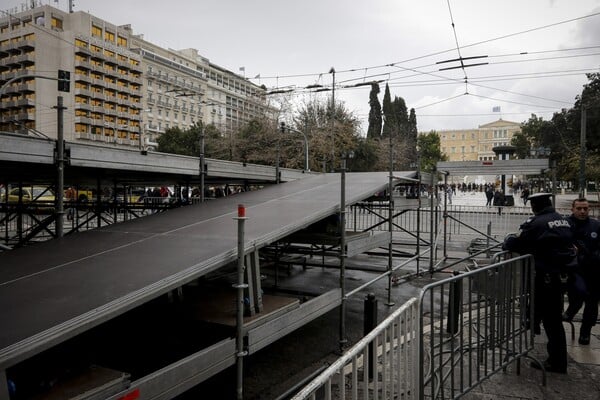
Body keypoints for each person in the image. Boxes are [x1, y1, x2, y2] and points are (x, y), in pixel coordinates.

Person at [502, 192, 576, 374]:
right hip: (559, 277)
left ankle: (557, 362)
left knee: (552, 322)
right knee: (553, 319)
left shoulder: (536, 223)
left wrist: (507, 242)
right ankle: (535, 327)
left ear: (535, 206)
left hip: (545, 278)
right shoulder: (562, 220)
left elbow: (516, 243)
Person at [563, 198, 600, 345]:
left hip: (594, 269)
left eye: (585, 208)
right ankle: (570, 312)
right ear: (572, 209)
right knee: (577, 294)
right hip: (573, 269)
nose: (583, 211)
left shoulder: (596, 225)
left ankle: (585, 332)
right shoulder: (565, 224)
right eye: (579, 208)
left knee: (592, 303)